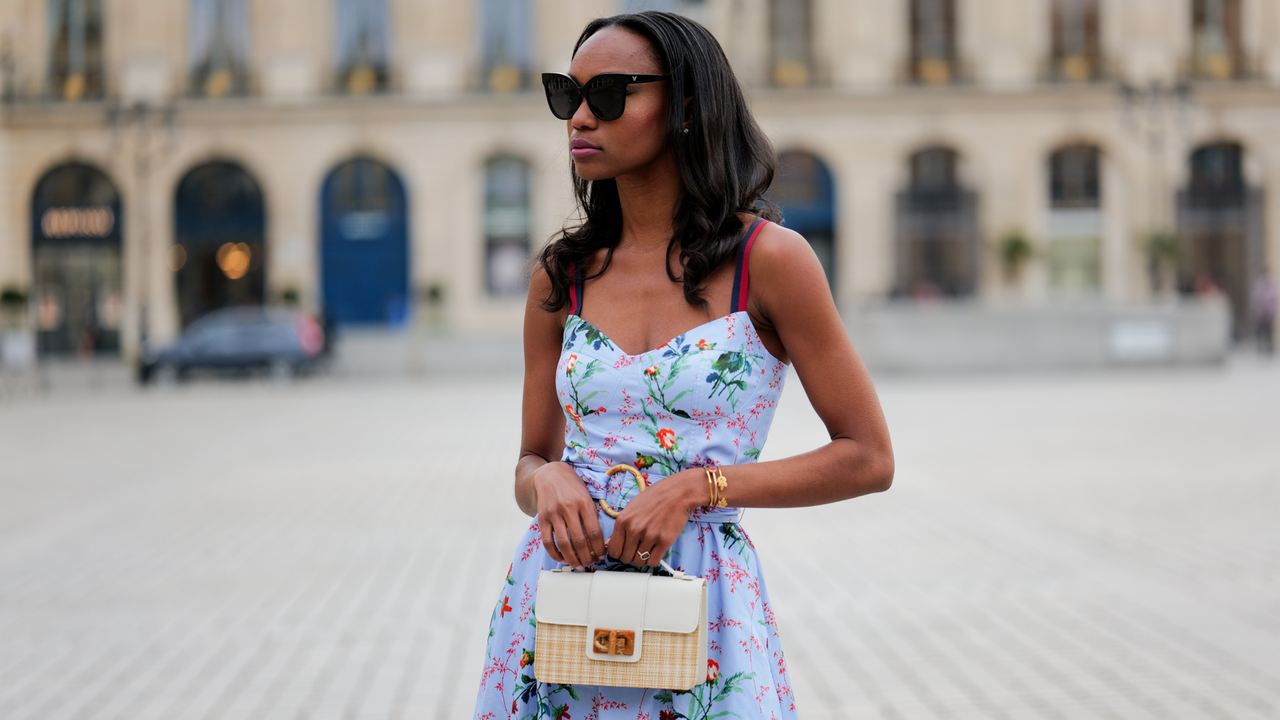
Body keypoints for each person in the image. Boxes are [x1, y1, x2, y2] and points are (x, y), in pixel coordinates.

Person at [473, 12, 894, 719]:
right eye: (564, 94)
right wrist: (544, 480)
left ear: (688, 107)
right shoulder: (561, 276)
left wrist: (700, 488)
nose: (579, 116)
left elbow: (868, 458)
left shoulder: (770, 262)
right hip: (559, 600)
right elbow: (529, 460)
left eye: (608, 94)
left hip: (703, 599)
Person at [1252, 269, 1276, 355]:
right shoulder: (1260, 283)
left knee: (1268, 331)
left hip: (1268, 313)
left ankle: (1269, 347)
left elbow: (1274, 299)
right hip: (1262, 313)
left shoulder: (1270, 283)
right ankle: (1261, 347)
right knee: (1260, 331)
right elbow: (1256, 298)